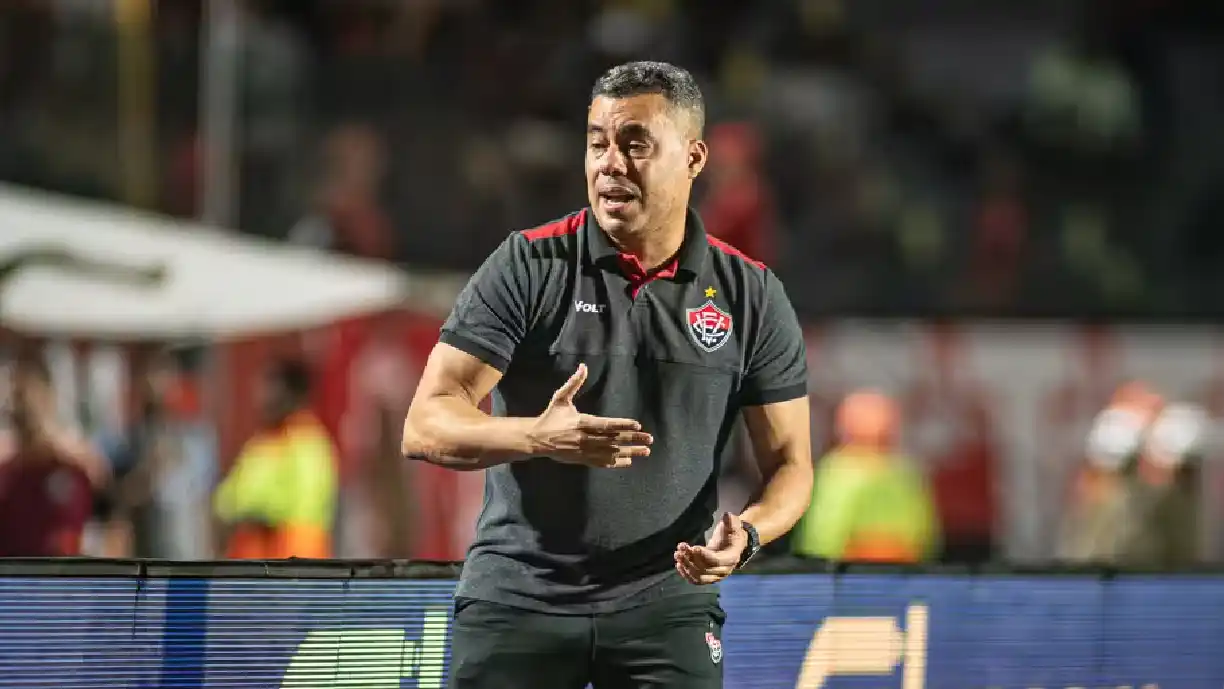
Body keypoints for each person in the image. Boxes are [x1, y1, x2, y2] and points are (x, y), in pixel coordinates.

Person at [402, 61, 813, 689]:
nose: (609, 164)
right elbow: (425, 423)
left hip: (666, 606)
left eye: (635, 144)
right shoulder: (529, 264)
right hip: (520, 597)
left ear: (695, 158)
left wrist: (750, 535)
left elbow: (790, 464)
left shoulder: (751, 295)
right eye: (597, 143)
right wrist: (535, 437)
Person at [792, 391, 939, 563]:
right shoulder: (836, 471)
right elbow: (820, 538)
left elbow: (924, 533)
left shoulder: (904, 472)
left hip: (901, 576)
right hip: (847, 577)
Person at [214, 358, 338, 559]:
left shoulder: (307, 441)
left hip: (294, 558)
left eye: (271, 387)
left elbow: (305, 500)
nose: (262, 396)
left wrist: (258, 512)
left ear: (292, 393)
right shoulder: (261, 441)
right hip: (252, 561)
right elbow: (232, 494)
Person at [0, 353, 110, 557]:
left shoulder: (75, 461)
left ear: (49, 397)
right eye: (16, 397)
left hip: (61, 579)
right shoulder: (8, 467)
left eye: (26, 395)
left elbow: (108, 505)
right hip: (12, 579)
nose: (20, 406)